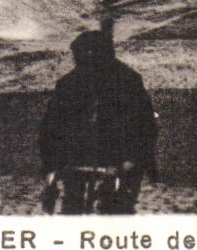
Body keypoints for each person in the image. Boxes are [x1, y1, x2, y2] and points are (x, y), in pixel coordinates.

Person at [39, 30, 158, 214]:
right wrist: (52, 166)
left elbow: (143, 124)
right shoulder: (69, 84)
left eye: (79, 56)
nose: (77, 61)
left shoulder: (127, 81)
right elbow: (52, 126)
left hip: (116, 160)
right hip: (77, 160)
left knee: (113, 211)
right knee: (74, 208)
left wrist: (133, 159)